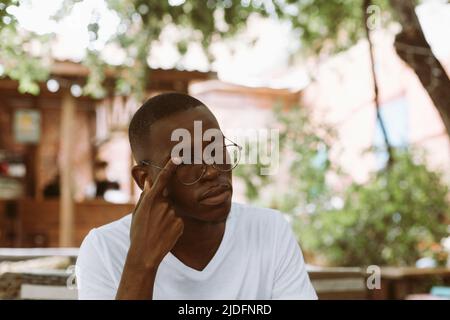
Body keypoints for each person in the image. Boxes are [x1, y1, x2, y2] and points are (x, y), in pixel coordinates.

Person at [75, 92, 317, 300]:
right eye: (186, 158)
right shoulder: (105, 249)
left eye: (216, 149)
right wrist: (140, 264)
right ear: (144, 179)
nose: (212, 170)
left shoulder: (269, 231)